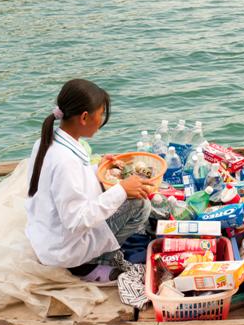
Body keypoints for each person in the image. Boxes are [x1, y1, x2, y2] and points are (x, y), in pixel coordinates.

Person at [24, 78, 152, 285]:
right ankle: (87, 265)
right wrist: (121, 190)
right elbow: (76, 220)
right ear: (84, 117)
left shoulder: (47, 142)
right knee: (140, 205)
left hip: (46, 235)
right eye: (100, 114)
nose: (101, 120)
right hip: (63, 250)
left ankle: (91, 255)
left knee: (127, 196)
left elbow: (71, 183)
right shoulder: (65, 161)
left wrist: (99, 168)